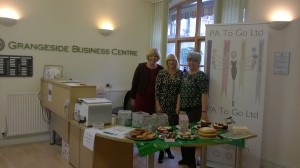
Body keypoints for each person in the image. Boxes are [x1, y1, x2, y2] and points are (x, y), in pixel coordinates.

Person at [177, 52, 209, 168]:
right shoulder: (184, 75)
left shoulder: (201, 76)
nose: (191, 63)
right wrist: (178, 106)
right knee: (182, 133)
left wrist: (204, 112)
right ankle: (185, 158)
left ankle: (191, 160)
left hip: (195, 110)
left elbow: (204, 94)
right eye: (189, 60)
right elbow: (180, 92)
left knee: (190, 134)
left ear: (198, 62)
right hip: (183, 110)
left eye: (194, 61)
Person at [155, 54, 183, 163]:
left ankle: (168, 149)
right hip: (163, 105)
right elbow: (157, 90)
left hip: (174, 106)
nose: (171, 62)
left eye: (173, 60)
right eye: (169, 60)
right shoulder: (162, 73)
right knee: (163, 129)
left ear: (176, 62)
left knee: (171, 129)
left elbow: (180, 91)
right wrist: (157, 105)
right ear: (166, 62)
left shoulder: (180, 73)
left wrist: (178, 105)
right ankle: (162, 151)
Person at [130, 48, 164, 114]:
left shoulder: (161, 69)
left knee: (152, 119)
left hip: (155, 100)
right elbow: (134, 83)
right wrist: (133, 98)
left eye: (155, 56)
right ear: (148, 57)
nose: (153, 58)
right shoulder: (141, 67)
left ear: (158, 58)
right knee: (140, 118)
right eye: (151, 56)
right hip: (141, 98)